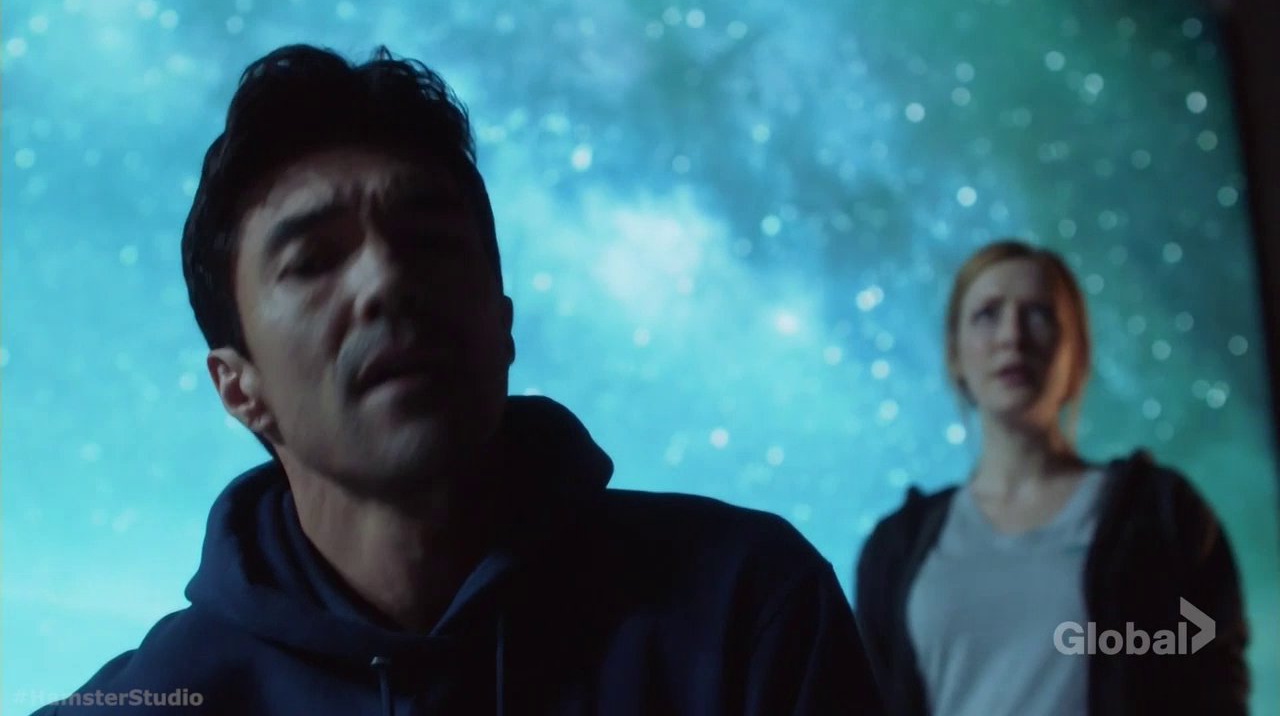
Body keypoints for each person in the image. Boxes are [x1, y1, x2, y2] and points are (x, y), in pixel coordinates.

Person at [32, 45, 883, 715]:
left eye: (429, 241)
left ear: (502, 323)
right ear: (238, 387)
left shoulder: (746, 610)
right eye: (314, 260)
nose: (386, 281)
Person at [853, 240, 1250, 716]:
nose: (1012, 336)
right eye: (987, 314)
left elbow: (1216, 687)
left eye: (1039, 314)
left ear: (1076, 353)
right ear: (955, 353)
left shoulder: (1162, 515)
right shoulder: (897, 547)